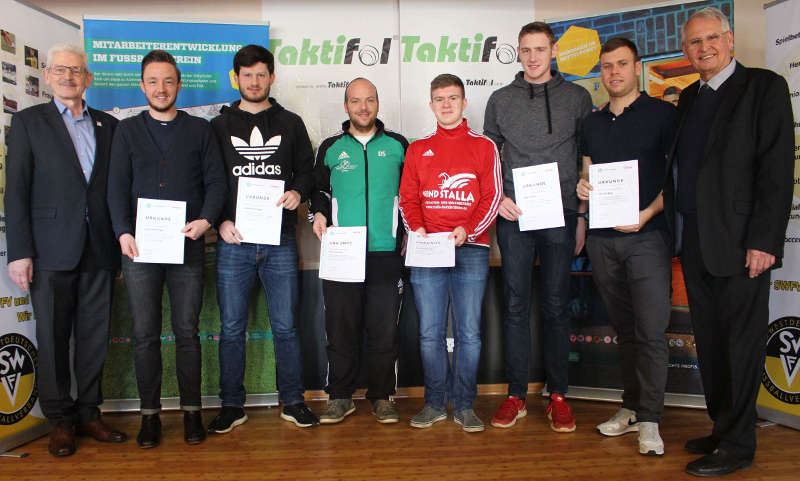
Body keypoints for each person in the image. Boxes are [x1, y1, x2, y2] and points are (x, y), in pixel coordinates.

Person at [663, 7, 794, 477]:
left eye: (711, 39)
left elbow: (777, 172)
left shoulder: (764, 88)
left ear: (730, 39)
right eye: (694, 43)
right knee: (712, 344)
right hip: (695, 240)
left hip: (743, 245)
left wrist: (764, 240)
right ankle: (722, 428)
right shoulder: (690, 98)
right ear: (686, 51)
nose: (704, 48)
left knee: (740, 345)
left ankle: (739, 445)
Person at [5, 43, 126, 457]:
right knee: (53, 338)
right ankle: (60, 420)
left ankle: (89, 413)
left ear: (87, 79)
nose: (68, 78)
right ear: (49, 77)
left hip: (100, 250)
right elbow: (16, 192)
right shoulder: (28, 123)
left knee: (94, 337)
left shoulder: (109, 126)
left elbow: (114, 191)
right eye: (60, 71)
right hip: (49, 250)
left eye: (76, 72)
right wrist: (19, 252)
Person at [108, 50, 227, 448]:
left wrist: (207, 220)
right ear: (142, 86)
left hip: (186, 247)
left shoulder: (200, 130)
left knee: (187, 332)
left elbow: (216, 183)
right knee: (144, 335)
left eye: (168, 81)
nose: (161, 88)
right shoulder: (126, 132)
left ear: (179, 85)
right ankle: (150, 416)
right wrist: (123, 232)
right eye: (153, 81)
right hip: (140, 249)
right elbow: (115, 188)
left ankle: (192, 413)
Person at [484, 21, 592, 431]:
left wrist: (581, 216)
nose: (532, 57)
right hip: (515, 215)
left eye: (540, 50)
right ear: (519, 52)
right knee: (515, 305)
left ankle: (558, 395)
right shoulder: (499, 100)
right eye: (525, 50)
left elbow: (586, 156)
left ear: (553, 52)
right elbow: (490, 159)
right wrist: (499, 200)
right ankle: (515, 395)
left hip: (562, 215)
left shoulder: (578, 98)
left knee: (556, 305)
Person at [206, 44, 319, 432]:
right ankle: (231, 405)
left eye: (261, 74)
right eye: (247, 74)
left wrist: (298, 193)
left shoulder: (291, 123)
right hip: (232, 241)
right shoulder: (217, 126)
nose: (254, 81)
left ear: (272, 76)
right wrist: (219, 220)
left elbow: (308, 170)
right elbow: (211, 180)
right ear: (236, 78)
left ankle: (293, 401)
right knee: (232, 327)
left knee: (286, 326)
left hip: (280, 240)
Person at [576, 37, 677, 456]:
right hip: (602, 240)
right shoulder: (592, 123)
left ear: (637, 68)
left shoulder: (664, 115)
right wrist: (583, 192)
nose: (613, 72)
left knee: (651, 331)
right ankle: (632, 407)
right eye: (606, 66)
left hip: (646, 237)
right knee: (625, 331)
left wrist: (646, 215)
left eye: (621, 64)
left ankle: (651, 420)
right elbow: (588, 175)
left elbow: (678, 181)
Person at [399, 73, 501, 433]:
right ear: (431, 104)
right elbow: (407, 200)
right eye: (439, 98)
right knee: (429, 332)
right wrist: (419, 230)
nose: (446, 104)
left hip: (471, 249)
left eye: (453, 98)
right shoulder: (417, 148)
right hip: (428, 250)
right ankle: (433, 403)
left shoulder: (484, 146)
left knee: (469, 333)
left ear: (463, 102)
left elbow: (492, 197)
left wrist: (468, 230)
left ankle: (465, 405)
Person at [311, 77, 408, 424]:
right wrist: (319, 212)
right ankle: (340, 396)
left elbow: (410, 196)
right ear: (346, 106)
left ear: (378, 103)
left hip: (385, 253)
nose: (363, 107)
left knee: (384, 331)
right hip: (342, 253)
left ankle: (382, 396)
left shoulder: (398, 145)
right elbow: (318, 191)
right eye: (356, 101)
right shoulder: (331, 147)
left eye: (369, 100)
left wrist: (409, 234)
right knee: (340, 329)